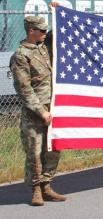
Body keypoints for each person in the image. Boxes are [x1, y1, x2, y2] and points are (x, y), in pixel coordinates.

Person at [10, 16, 66, 206]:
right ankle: (35, 189)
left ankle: (47, 185)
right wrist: (41, 111)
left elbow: (60, 30)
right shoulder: (21, 55)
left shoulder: (44, 46)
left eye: (45, 30)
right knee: (34, 153)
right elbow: (24, 89)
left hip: (54, 107)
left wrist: (57, 12)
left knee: (53, 149)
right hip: (35, 113)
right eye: (41, 30)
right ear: (30, 31)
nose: (44, 33)